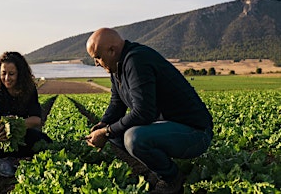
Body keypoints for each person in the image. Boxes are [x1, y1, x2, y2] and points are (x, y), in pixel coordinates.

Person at [84, 28, 213, 194]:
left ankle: (171, 179)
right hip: (169, 128)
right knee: (115, 133)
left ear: (112, 50)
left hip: (195, 133)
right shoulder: (117, 66)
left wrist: (106, 132)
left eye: (98, 57)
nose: (96, 63)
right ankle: (153, 172)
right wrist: (103, 124)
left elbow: (144, 113)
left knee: (134, 137)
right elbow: (117, 103)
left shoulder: (136, 60)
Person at [0, 51, 52, 178]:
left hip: (19, 132)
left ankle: (12, 158)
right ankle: (3, 159)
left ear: (20, 74)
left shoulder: (29, 90)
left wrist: (16, 124)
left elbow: (36, 119)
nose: (6, 78)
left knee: (43, 141)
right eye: (3, 74)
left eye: (11, 74)